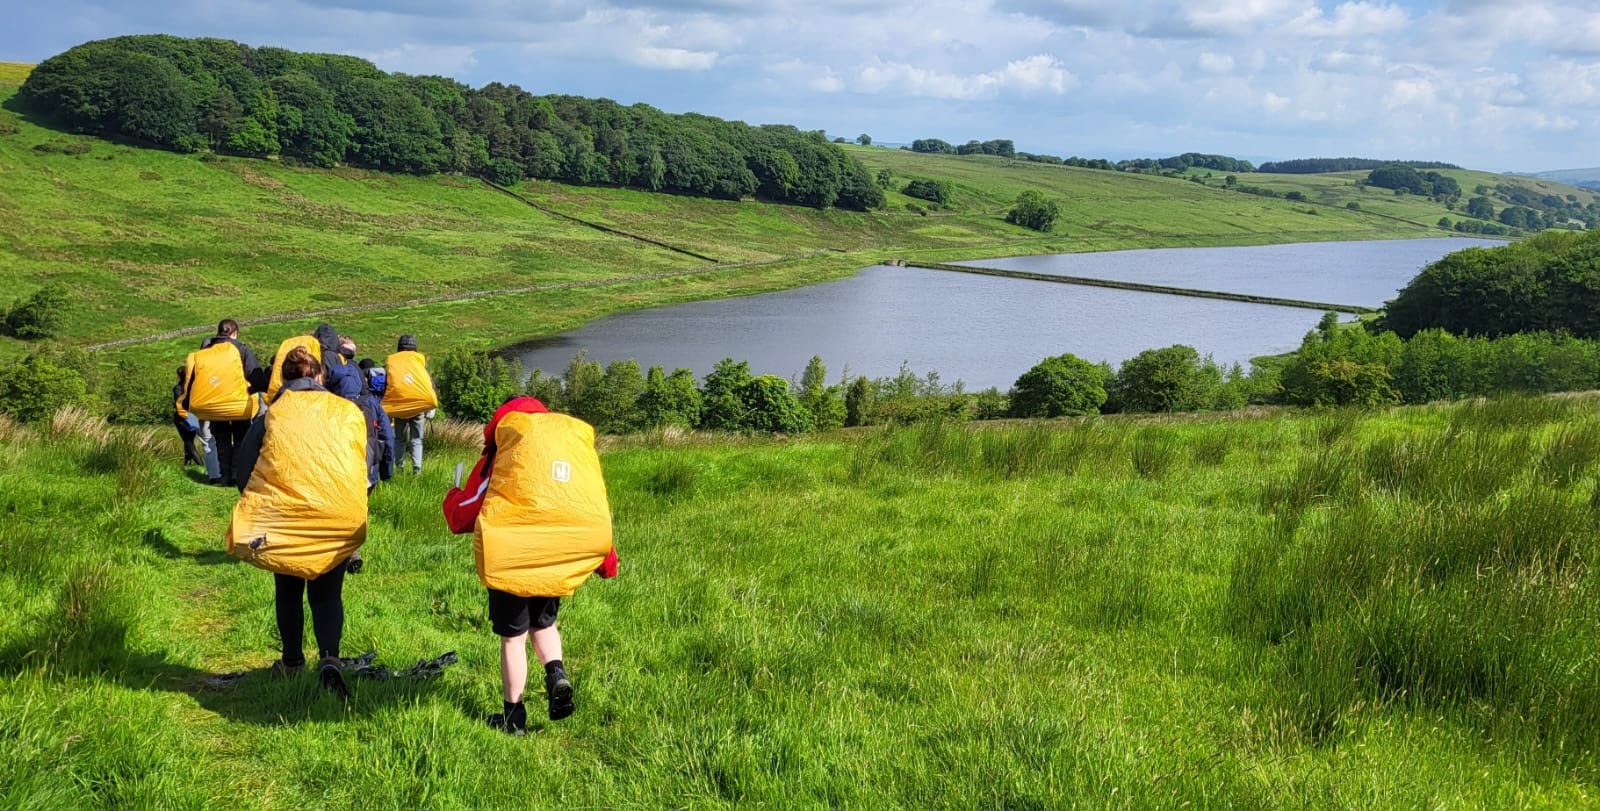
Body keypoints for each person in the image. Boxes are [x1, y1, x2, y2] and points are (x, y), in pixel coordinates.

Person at [442, 396, 618, 733]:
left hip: (511, 560)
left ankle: (513, 717)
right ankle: (556, 673)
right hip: (556, 557)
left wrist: (451, 496)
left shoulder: (504, 449)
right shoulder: (565, 451)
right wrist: (606, 561)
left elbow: (465, 512)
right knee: (544, 624)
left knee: (513, 638)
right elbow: (589, 509)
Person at [228, 346, 372, 695]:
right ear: (321, 376)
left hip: (285, 515)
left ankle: (292, 662)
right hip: (339, 514)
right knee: (328, 594)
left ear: (285, 378)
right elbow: (366, 467)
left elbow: (241, 471)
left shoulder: (273, 414)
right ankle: (330, 659)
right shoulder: (347, 412)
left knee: (288, 590)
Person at [179, 319, 265, 486]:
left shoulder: (204, 352)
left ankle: (224, 476)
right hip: (239, 406)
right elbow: (257, 378)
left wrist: (187, 405)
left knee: (221, 441)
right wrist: (251, 390)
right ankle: (237, 475)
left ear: (218, 332)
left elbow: (192, 381)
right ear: (234, 333)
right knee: (241, 440)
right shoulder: (241, 349)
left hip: (212, 407)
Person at [383, 334, 439, 475]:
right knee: (417, 439)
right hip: (417, 406)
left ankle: (399, 469)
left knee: (400, 439)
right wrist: (430, 406)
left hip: (399, 406)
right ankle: (417, 471)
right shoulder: (419, 361)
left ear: (399, 348)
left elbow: (388, 384)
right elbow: (428, 382)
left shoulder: (393, 362)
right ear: (414, 349)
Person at [358, 358, 396, 484]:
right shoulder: (384, 374)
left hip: (368, 408)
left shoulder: (362, 375)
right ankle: (383, 474)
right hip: (384, 408)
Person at [171, 366, 201, 466]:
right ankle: (187, 463)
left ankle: (200, 464)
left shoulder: (178, 388)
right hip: (193, 416)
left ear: (179, 375)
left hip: (182, 417)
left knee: (188, 441)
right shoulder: (194, 387)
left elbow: (178, 404)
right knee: (189, 440)